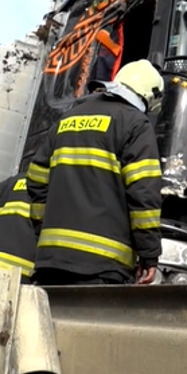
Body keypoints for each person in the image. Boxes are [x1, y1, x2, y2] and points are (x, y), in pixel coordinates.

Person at [26, 59, 164, 286]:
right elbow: (144, 196)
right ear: (149, 96)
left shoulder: (67, 119)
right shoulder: (136, 124)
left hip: (50, 262)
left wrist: (45, 230)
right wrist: (149, 255)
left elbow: (36, 181)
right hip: (102, 267)